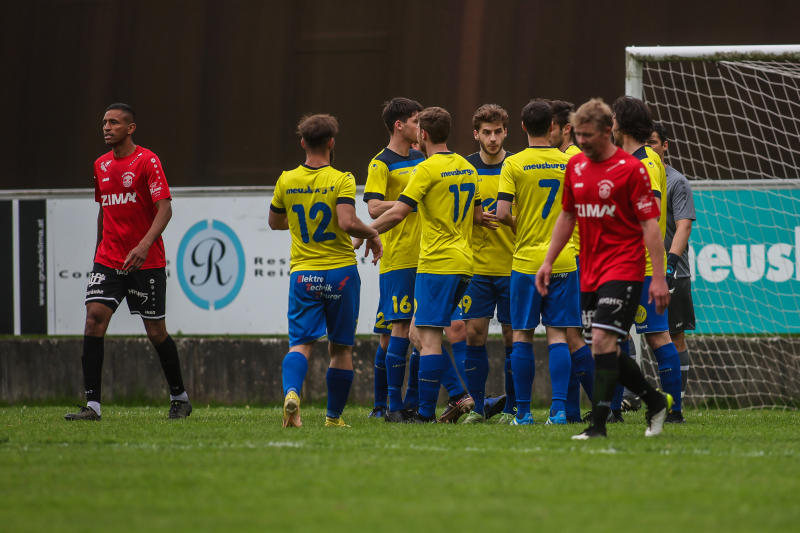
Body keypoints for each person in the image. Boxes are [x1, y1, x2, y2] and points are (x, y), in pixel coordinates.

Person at [535, 98, 672, 439]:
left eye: (588, 135)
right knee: (600, 346)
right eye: (578, 135)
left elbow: (650, 225)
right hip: (589, 270)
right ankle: (654, 400)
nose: (581, 141)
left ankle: (597, 425)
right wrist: (548, 261)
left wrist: (657, 277)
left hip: (624, 268)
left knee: (602, 338)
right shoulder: (575, 166)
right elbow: (567, 216)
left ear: (608, 130)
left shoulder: (632, 169)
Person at [65, 103, 191, 421]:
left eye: (114, 122)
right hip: (108, 260)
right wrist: (98, 253)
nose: (107, 127)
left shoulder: (147, 161)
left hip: (145, 262)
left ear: (130, 128)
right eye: (104, 122)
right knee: (94, 319)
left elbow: (165, 208)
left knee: (156, 331)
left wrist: (144, 245)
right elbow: (104, 210)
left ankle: (180, 398)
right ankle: (92, 406)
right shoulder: (100, 165)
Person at [370, 106, 493, 423]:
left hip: (436, 263)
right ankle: (456, 396)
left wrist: (366, 233)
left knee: (428, 338)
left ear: (423, 134)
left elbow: (398, 212)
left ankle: (425, 413)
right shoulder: (467, 167)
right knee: (416, 332)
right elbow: (478, 215)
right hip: (464, 263)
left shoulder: (425, 169)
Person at [269, 114, 382, 428]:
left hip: (304, 274)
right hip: (340, 273)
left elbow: (274, 222)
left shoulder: (286, 179)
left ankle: (292, 392)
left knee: (300, 344)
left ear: (302, 142)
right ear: (332, 142)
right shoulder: (341, 179)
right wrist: (372, 233)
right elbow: (347, 222)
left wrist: (297, 216)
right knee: (341, 347)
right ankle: (333, 418)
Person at [496, 99, 579, 426]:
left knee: (522, 335)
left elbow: (502, 213)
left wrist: (522, 223)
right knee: (558, 335)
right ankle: (558, 411)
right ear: (553, 126)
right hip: (563, 260)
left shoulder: (513, 164)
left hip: (527, 262)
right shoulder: (569, 162)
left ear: (522, 126)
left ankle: (524, 412)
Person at [611, 97, 683, 421]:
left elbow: (649, 217)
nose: (610, 124)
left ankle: (674, 411)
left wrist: (656, 273)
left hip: (640, 266)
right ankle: (612, 409)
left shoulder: (646, 163)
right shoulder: (631, 160)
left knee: (657, 336)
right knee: (614, 335)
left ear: (623, 124)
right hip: (622, 264)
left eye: (614, 118)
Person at [363, 97, 425, 422]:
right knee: (391, 334)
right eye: (416, 121)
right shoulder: (381, 163)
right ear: (399, 125)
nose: (420, 126)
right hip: (397, 256)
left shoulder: (421, 158)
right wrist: (408, 201)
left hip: (426, 257)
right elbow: (373, 207)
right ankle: (384, 405)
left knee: (421, 331)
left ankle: (411, 402)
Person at [458, 104, 515, 424]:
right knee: (474, 335)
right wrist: (474, 218)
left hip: (512, 266)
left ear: (506, 132)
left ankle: (512, 408)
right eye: (486, 133)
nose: (492, 139)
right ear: (476, 134)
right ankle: (478, 408)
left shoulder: (516, 166)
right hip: (477, 267)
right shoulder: (464, 168)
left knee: (512, 338)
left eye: (497, 132)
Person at [647, 122, 696, 423]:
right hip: (639, 270)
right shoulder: (634, 175)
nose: (648, 148)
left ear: (665, 146)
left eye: (653, 142)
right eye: (644, 143)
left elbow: (684, 226)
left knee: (674, 336)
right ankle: (621, 403)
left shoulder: (676, 181)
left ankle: (676, 404)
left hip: (671, 272)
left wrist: (670, 265)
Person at [550, 99, 595, 423]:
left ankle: (604, 404)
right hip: (575, 255)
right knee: (569, 335)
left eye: (551, 127)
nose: (546, 132)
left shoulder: (572, 159)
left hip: (576, 256)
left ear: (566, 129)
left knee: (572, 336)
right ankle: (572, 411)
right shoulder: (573, 158)